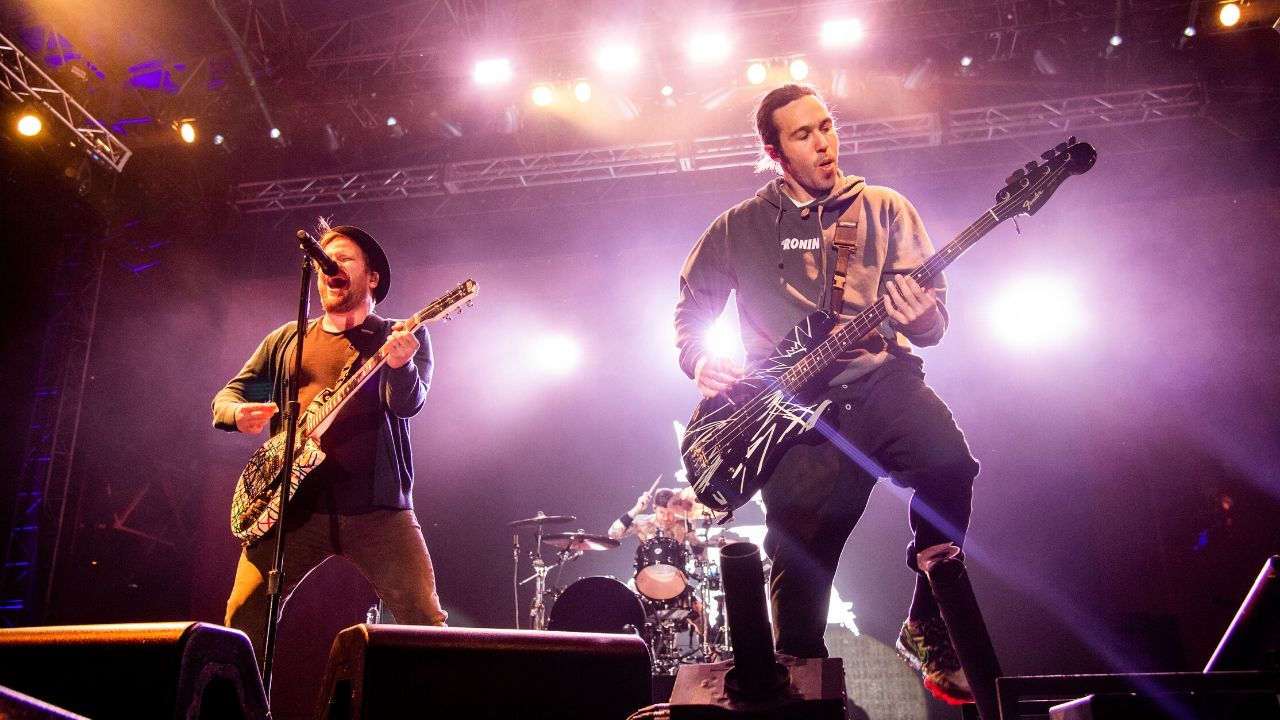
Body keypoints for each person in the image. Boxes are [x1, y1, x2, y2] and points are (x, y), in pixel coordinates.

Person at [673, 84, 980, 704]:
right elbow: (691, 309)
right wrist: (700, 357)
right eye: (803, 134)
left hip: (879, 381)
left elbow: (935, 323)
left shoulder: (886, 208)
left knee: (949, 461)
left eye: (827, 126)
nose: (823, 143)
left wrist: (919, 318)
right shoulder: (738, 227)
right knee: (799, 575)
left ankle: (926, 621)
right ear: (774, 152)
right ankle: (801, 703)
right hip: (787, 412)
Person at [212, 220, 448, 663]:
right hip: (292, 509)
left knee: (424, 621)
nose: (330, 266)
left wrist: (400, 365)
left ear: (372, 277)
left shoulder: (399, 336)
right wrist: (236, 414)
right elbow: (229, 396)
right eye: (325, 260)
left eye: (344, 259)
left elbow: (408, 405)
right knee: (242, 618)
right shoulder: (287, 340)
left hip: (378, 513)